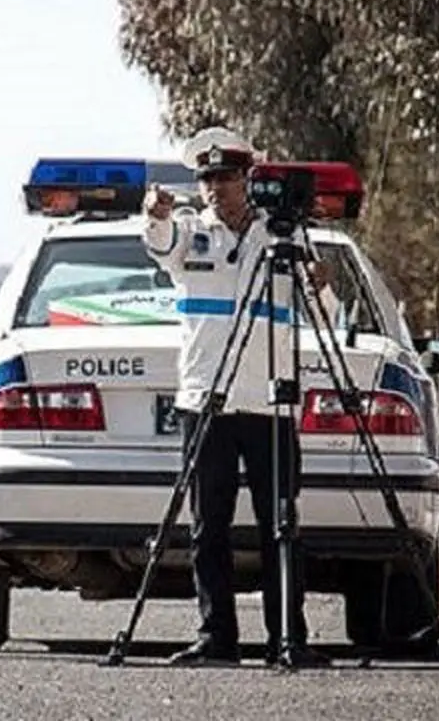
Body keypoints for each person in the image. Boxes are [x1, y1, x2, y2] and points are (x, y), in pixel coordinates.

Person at [142, 126, 338, 668]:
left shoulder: (284, 238)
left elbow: (327, 317)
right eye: (206, 178)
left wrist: (319, 282)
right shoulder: (188, 234)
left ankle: (287, 638)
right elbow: (158, 243)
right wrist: (155, 214)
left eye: (225, 177)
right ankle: (216, 636)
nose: (214, 188)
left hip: (270, 403)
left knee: (281, 525)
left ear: (247, 178)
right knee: (209, 529)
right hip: (207, 401)